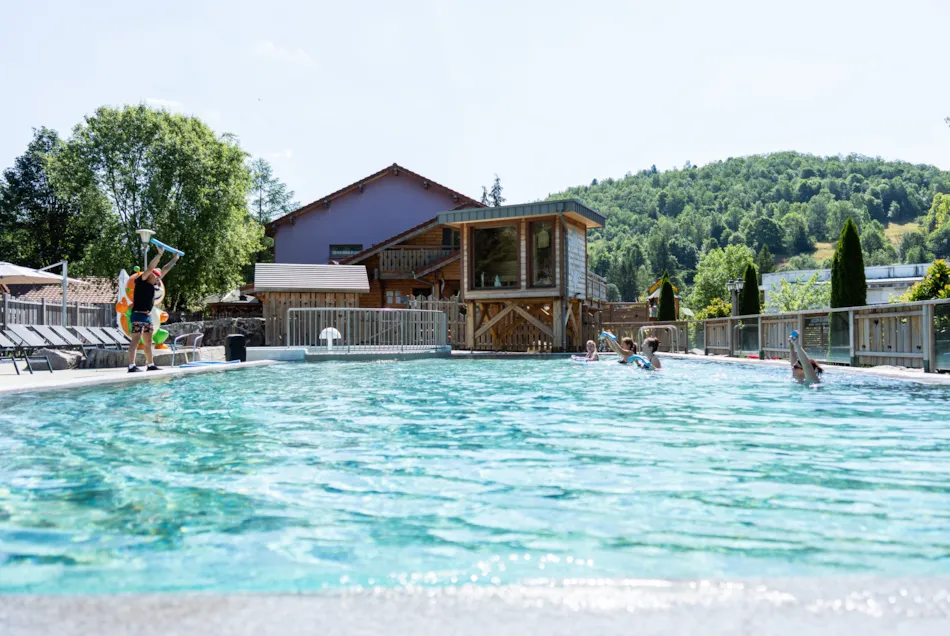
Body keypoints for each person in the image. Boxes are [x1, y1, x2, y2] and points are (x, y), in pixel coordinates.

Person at [128, 247, 179, 372]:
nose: (157, 278)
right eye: (155, 276)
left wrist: (174, 259)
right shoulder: (141, 281)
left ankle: (150, 365)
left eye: (157, 277)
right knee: (135, 340)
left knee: (148, 341)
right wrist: (159, 254)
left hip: (147, 316)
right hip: (138, 315)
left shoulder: (153, 284)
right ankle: (131, 366)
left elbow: (165, 269)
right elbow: (150, 268)